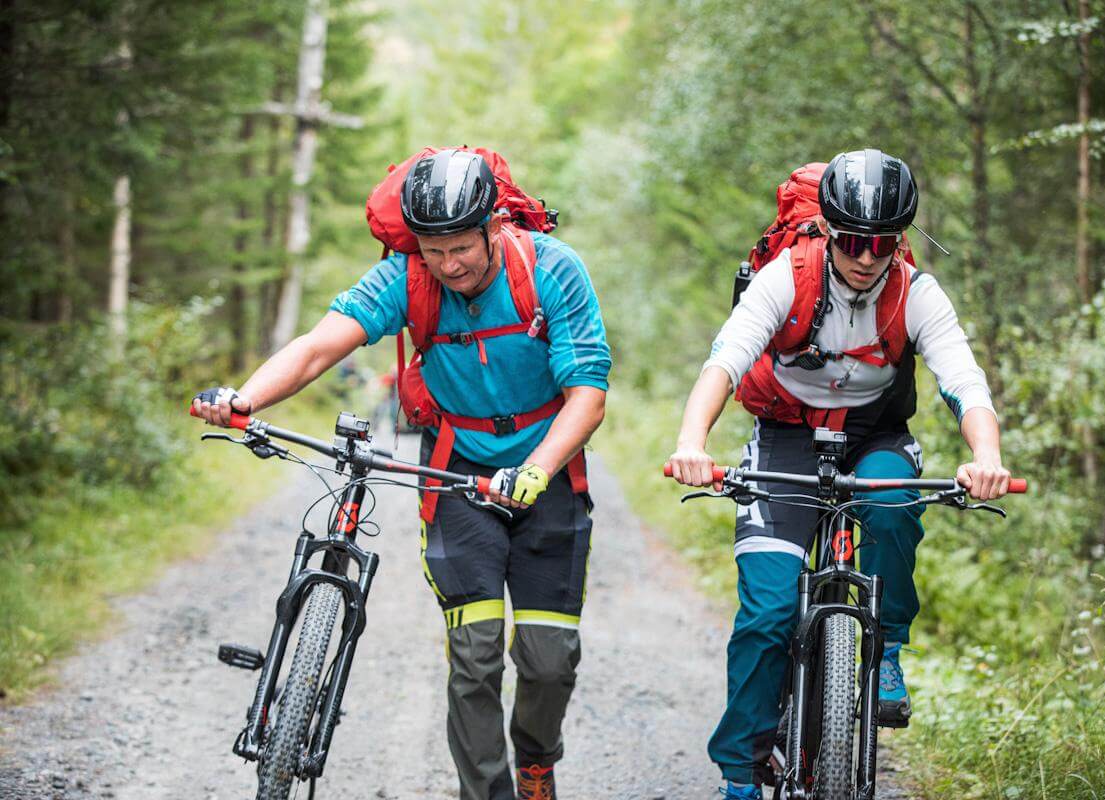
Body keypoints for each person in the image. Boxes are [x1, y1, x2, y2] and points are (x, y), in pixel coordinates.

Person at [193, 148, 610, 800]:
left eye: (461, 248)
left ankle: (536, 760)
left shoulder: (552, 269)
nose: (449, 265)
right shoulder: (408, 277)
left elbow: (587, 394)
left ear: (494, 226)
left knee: (548, 660)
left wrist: (535, 468)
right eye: (433, 251)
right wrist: (246, 398)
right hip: (457, 472)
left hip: (547, 471)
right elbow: (318, 347)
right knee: (474, 655)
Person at [664, 149, 1012, 799]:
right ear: (827, 229)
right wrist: (692, 442)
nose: (866, 256)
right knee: (767, 612)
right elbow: (726, 361)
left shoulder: (916, 293)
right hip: (786, 437)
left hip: (875, 435)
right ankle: (739, 775)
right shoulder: (785, 278)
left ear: (899, 240)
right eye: (852, 240)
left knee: (893, 504)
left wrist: (986, 456)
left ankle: (888, 652)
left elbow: (965, 383)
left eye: (882, 242)